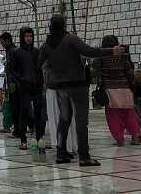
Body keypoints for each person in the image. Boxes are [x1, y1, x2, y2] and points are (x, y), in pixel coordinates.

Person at [38, 15, 124, 167]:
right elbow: (90, 51)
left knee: (64, 119)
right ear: (64, 25)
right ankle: (84, 156)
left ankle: (61, 153)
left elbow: (40, 63)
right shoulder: (70, 39)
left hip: (60, 87)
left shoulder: (46, 45)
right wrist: (112, 51)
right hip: (77, 85)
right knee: (81, 121)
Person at [94, 35, 141, 146]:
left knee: (113, 116)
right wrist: (132, 86)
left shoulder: (101, 58)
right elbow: (129, 72)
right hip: (125, 88)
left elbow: (97, 74)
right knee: (129, 113)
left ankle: (119, 140)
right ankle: (135, 138)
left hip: (109, 89)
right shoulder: (123, 56)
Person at [11, 27, 45, 150]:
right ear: (22, 37)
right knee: (24, 113)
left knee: (39, 113)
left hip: (36, 86)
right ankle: (23, 140)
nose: (29, 39)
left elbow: (40, 68)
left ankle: (39, 138)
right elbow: (13, 70)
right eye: (26, 36)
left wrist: (40, 81)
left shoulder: (36, 52)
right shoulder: (17, 52)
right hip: (24, 87)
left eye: (31, 36)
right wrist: (20, 81)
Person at [0, 32, 21, 138]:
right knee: (15, 107)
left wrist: (13, 83)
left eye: (2, 42)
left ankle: (18, 131)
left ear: (7, 40)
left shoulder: (12, 51)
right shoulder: (10, 51)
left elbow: (14, 69)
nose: (2, 44)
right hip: (12, 83)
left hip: (14, 85)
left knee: (16, 108)